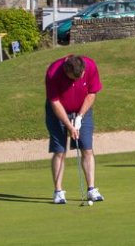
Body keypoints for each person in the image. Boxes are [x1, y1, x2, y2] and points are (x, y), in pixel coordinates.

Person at [45, 54, 105, 204]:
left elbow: (92, 93)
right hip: (57, 112)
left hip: (82, 109)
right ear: (66, 71)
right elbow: (55, 102)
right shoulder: (53, 73)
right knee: (60, 151)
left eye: (80, 77)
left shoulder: (90, 65)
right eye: (73, 78)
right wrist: (69, 125)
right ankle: (58, 192)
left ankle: (91, 189)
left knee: (87, 148)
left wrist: (79, 117)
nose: (77, 80)